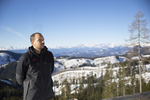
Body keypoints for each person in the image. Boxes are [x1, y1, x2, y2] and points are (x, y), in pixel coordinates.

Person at [16, 32, 54, 100]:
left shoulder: (49, 55)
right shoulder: (26, 57)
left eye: (43, 39)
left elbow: (50, 71)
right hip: (32, 97)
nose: (43, 42)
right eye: (40, 40)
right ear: (33, 42)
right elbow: (19, 78)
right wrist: (30, 86)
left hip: (48, 96)